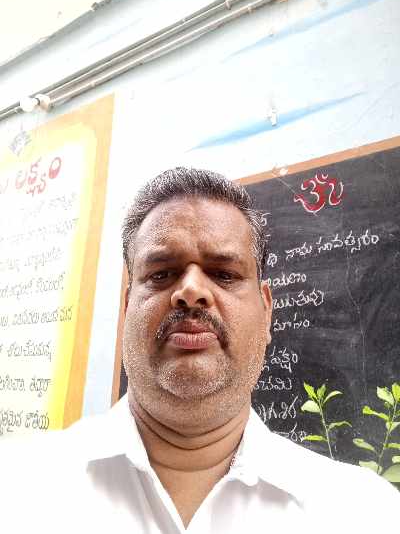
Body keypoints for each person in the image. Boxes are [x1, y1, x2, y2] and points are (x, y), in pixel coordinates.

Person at [1, 167, 398, 533]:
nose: (191, 290)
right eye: (161, 273)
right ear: (126, 308)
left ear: (266, 312)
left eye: (224, 274)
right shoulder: (17, 488)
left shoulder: (364, 514)